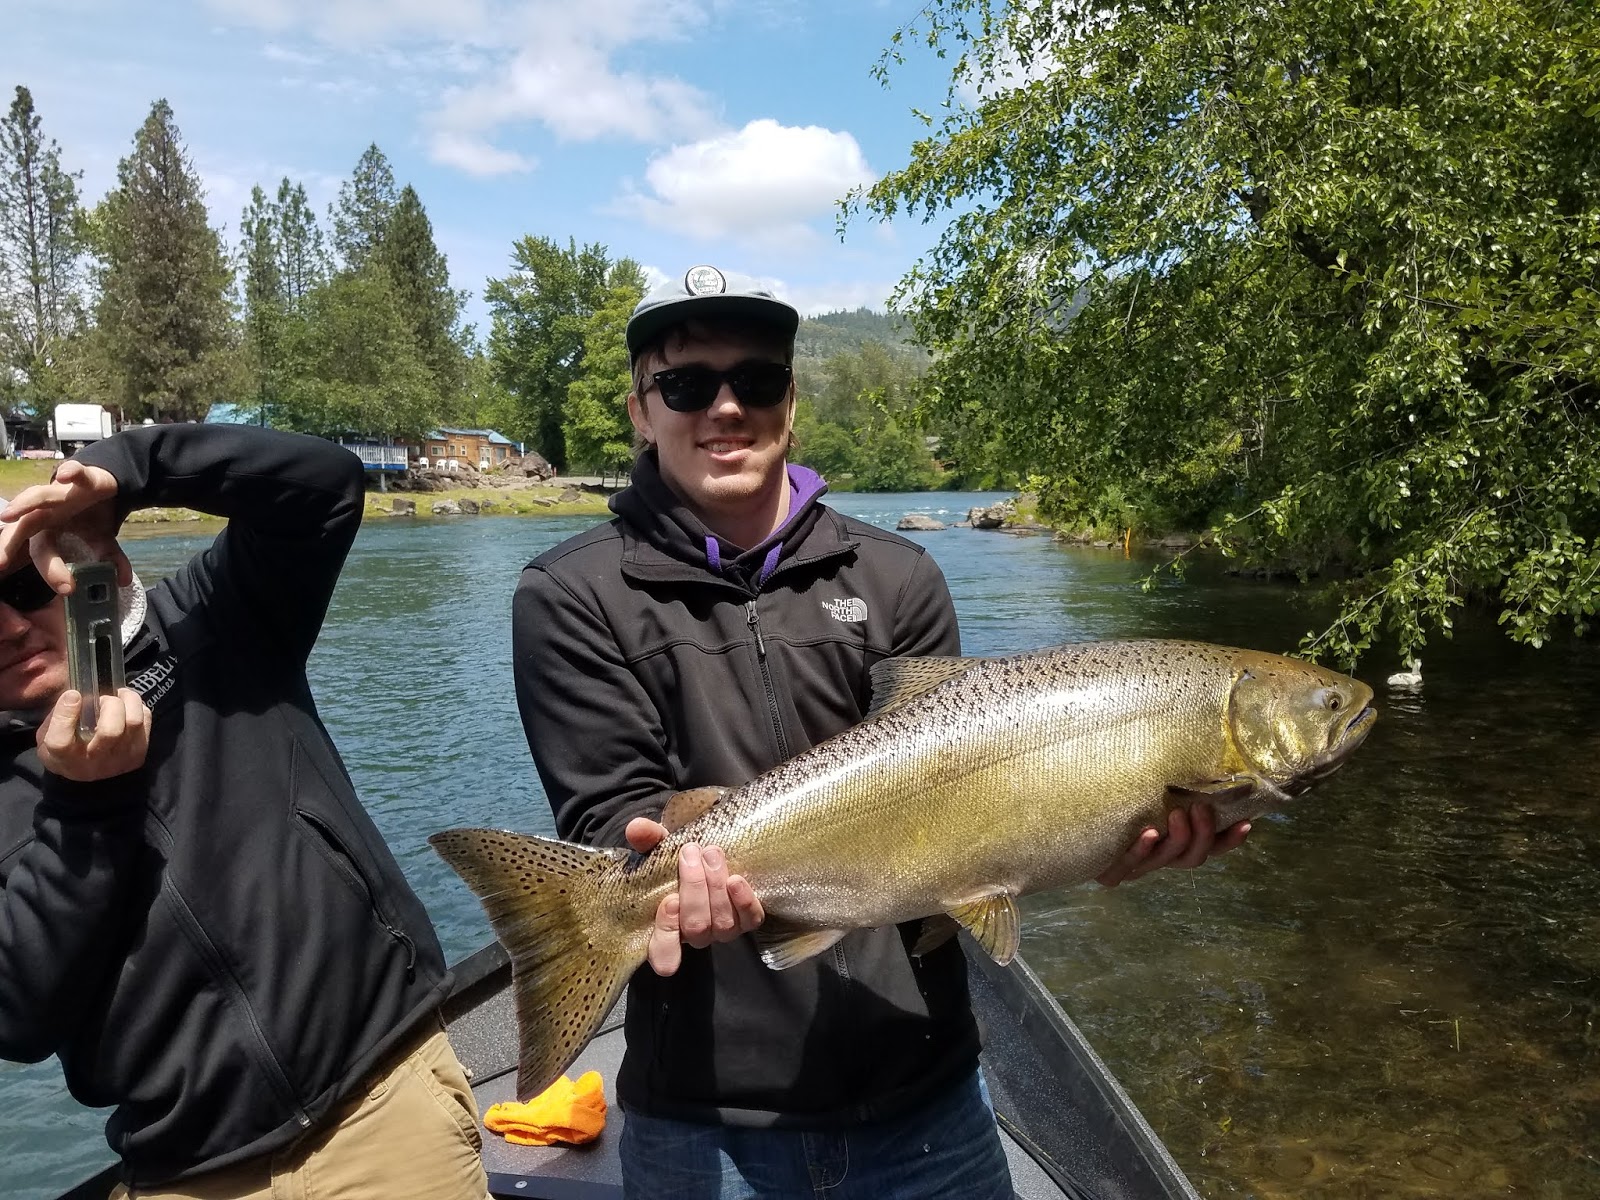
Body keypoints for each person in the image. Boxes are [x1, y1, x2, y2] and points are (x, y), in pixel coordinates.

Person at [512, 265, 1249, 1199]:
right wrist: (666, 872)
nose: (726, 408)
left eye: (759, 381)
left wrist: (1101, 837)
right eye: (689, 385)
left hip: (926, 1097)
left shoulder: (899, 575)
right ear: (641, 413)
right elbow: (608, 815)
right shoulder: (571, 593)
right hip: (709, 1116)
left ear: (790, 404)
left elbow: (974, 818)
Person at [0, 423, 488, 1199]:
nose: (7, 627)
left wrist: (127, 471)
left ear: (76, 569)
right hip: (187, 1171)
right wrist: (82, 810)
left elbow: (324, 488)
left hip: (382, 1107)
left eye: (22, 588)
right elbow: (17, 1013)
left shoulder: (212, 621)